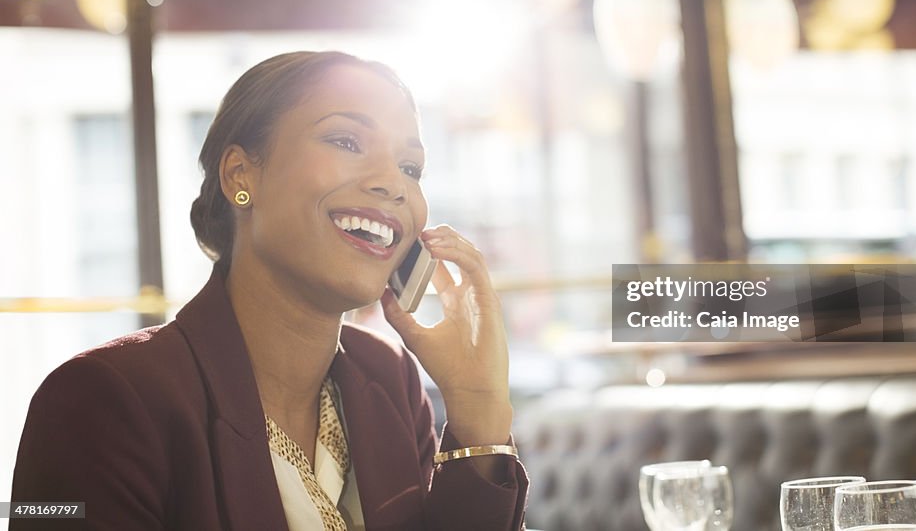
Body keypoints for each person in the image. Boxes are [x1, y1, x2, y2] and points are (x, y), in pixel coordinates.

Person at [10, 51, 529, 530]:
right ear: (241, 174)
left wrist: (479, 412)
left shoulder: (389, 379)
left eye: (410, 167)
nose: (393, 184)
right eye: (346, 141)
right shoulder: (99, 398)